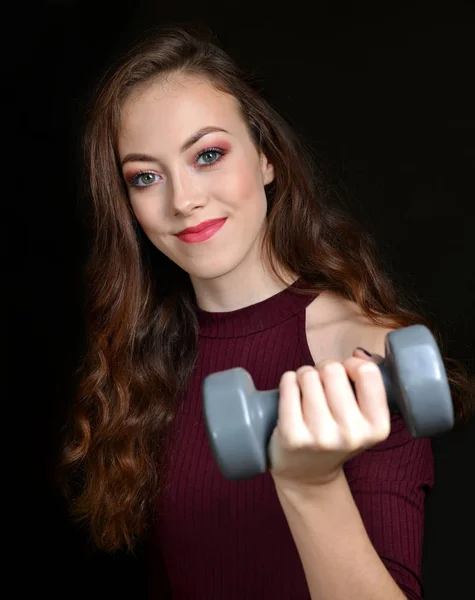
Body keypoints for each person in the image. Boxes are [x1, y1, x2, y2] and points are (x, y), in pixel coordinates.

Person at [59, 25, 474, 600]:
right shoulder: (142, 364)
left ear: (267, 159)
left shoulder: (370, 358)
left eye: (207, 155)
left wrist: (311, 484)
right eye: (146, 177)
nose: (183, 200)